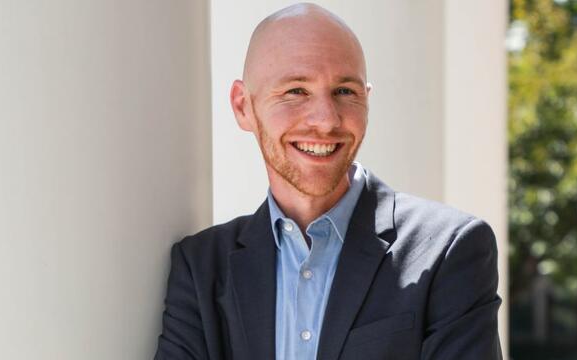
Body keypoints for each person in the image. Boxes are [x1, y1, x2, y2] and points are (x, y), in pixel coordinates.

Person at [154, 3, 502, 360]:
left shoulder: (450, 250)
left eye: (345, 92)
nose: (325, 120)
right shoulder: (201, 267)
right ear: (243, 106)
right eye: (296, 91)